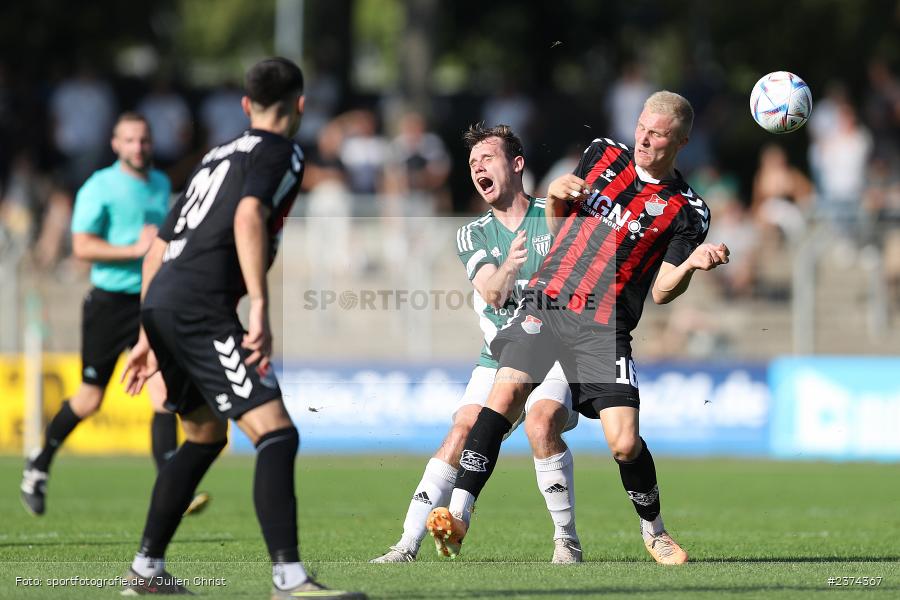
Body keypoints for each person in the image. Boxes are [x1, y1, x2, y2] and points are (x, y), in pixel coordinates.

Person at [427, 91, 730, 565]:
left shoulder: (689, 209)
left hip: (606, 326)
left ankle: (655, 532)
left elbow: (662, 290)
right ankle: (459, 514)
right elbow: (559, 230)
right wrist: (557, 197)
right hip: (549, 302)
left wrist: (691, 263)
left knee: (624, 443)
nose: (644, 139)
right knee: (503, 398)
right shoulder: (603, 154)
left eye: (657, 134)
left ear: (681, 141)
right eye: (642, 128)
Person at [119, 57, 365, 599]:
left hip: (164, 301)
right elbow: (249, 214)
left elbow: (158, 249)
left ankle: (146, 569)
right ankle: (289, 579)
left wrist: (145, 333)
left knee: (204, 437)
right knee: (277, 434)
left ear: (246, 104)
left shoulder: (215, 156)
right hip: (201, 306)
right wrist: (259, 306)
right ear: (300, 105)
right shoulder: (281, 151)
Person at [370, 124, 582, 564]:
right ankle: (406, 545)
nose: (477, 168)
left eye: (487, 158)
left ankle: (566, 540)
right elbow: (492, 292)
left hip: (557, 354)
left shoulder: (552, 216)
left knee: (541, 422)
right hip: (499, 357)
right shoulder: (474, 233)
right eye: (472, 163)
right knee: (462, 428)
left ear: (517, 164)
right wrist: (511, 266)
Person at [19, 112, 210, 517]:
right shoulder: (99, 186)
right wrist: (133, 250)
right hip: (109, 303)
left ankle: (172, 487)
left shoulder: (160, 184)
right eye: (130, 140)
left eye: (144, 140)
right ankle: (39, 464)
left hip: (150, 301)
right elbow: (82, 247)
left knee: (163, 393)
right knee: (89, 399)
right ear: (115, 144)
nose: (138, 147)